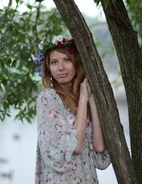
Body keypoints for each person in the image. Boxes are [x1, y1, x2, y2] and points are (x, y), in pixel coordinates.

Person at [31, 35, 111, 184]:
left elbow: (99, 147)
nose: (61, 67)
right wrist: (83, 99)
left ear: (76, 64)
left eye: (66, 60)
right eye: (54, 62)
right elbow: (76, 146)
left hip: (87, 177)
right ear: (49, 69)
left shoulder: (85, 97)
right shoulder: (48, 99)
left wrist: (90, 99)